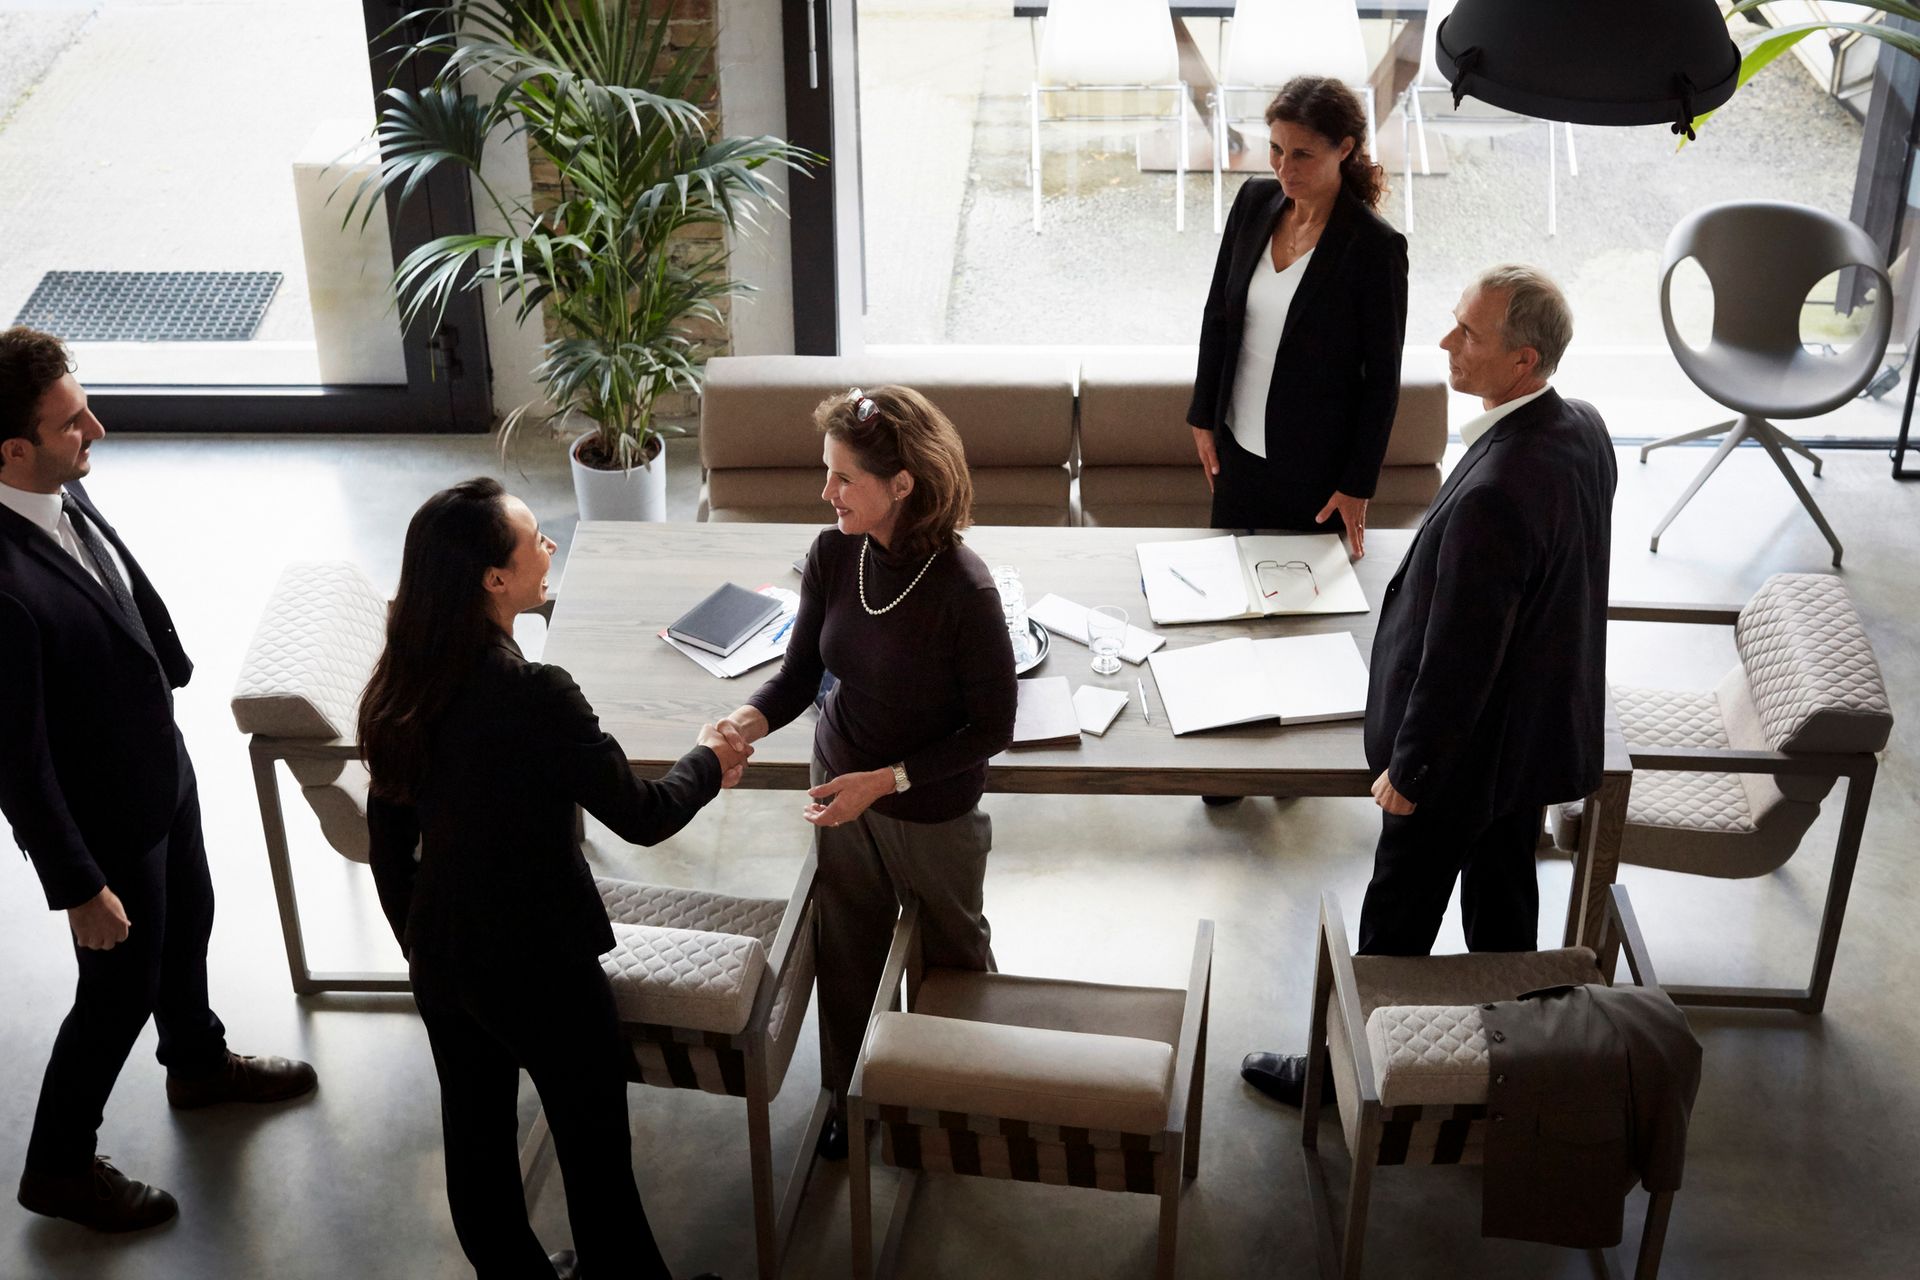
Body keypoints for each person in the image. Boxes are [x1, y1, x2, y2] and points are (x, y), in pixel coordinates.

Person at [1241, 265, 1617, 1105]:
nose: (1446, 342)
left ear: (1523, 361)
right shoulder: (1580, 429)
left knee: (1395, 925)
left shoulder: (1496, 492)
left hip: (1457, 757)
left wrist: (1411, 775)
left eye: (1468, 334)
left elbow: (1459, 655)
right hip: (1530, 738)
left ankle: (1344, 1075)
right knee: (1504, 905)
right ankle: (1518, 1070)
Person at [362, 479, 744, 1280]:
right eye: (535, 540)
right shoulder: (536, 692)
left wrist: (423, 948)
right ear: (493, 579)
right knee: (594, 1150)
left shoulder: (399, 680)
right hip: (541, 966)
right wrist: (710, 759)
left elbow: (390, 844)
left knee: (477, 1146)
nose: (550, 548)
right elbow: (643, 815)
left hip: (444, 956)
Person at [0, 326, 317, 1233]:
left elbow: (110, 582)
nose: (94, 428)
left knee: (193, 922)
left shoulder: (51, 488)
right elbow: (15, 764)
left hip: (156, 770)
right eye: (70, 423)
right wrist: (79, 887)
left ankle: (199, 1062)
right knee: (115, 994)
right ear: (11, 449)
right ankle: (57, 1166)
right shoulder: (1, 587)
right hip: (103, 822)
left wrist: (164, 664)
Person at [718, 386, 1017, 1160]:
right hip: (836, 782)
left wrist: (882, 783)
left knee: (953, 955)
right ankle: (849, 1101)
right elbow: (796, 678)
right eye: (828, 474)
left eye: (844, 478)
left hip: (928, 807)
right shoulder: (832, 553)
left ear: (902, 484)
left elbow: (993, 729)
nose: (827, 494)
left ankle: (951, 1096)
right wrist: (745, 723)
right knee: (847, 945)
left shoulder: (967, 591)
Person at [1189, 74, 1408, 558]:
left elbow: (1382, 380)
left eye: (1303, 154)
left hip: (1315, 470)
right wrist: (1204, 416)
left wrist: (1357, 484)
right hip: (1236, 453)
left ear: (1344, 148)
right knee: (1231, 594)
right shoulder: (1252, 202)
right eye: (1275, 150)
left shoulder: (1374, 248)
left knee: (1302, 619)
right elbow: (1218, 315)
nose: (1285, 169)